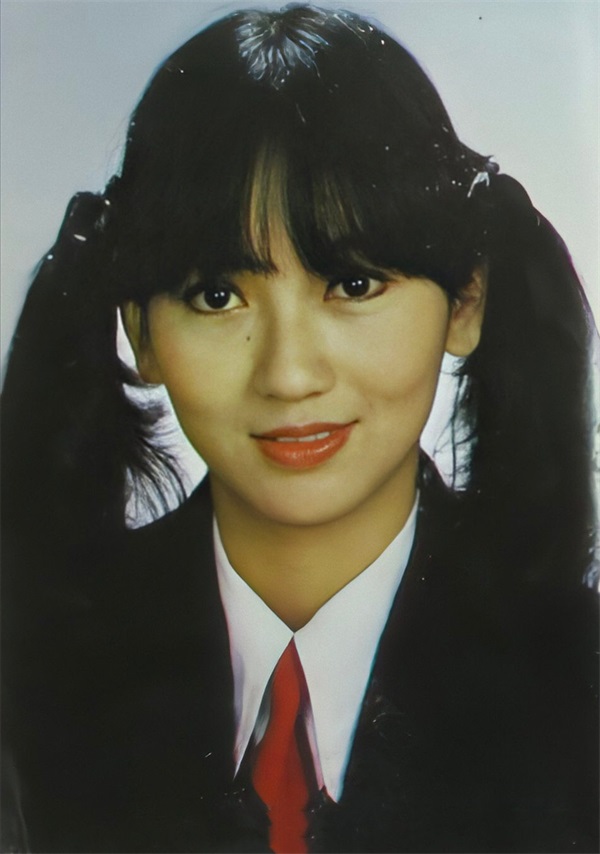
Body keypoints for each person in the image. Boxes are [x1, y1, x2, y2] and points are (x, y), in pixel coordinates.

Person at [1, 5, 598, 853]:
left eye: (352, 285)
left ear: (466, 302)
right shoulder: (27, 678)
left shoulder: (581, 681)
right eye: (217, 296)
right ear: (140, 332)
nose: (287, 374)